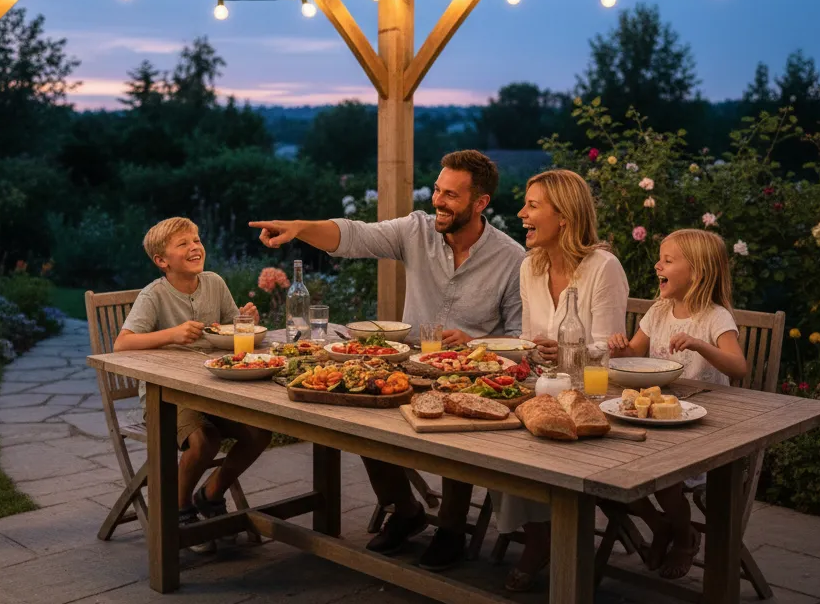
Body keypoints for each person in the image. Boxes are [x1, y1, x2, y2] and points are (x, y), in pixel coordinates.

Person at [251, 150, 524, 572]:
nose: (438, 201)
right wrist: (300, 229)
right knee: (365, 412)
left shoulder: (510, 258)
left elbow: (518, 337)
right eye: (437, 189)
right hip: (405, 362)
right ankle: (405, 509)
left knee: (459, 423)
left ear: (480, 202)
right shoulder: (416, 230)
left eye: (451, 195)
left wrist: (475, 343)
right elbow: (354, 236)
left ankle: (451, 529)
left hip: (467, 371)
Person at [495, 169, 629, 591]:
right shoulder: (529, 267)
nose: (521, 214)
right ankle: (540, 537)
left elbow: (609, 348)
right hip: (543, 387)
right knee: (496, 438)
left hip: (592, 396)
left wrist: (564, 350)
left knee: (519, 442)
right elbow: (527, 339)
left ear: (565, 217)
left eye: (532, 206)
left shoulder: (602, 268)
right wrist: (533, 348)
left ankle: (542, 542)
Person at [114, 216, 271, 553]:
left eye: (197, 239)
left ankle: (211, 494)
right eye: (182, 243)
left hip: (215, 385)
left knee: (260, 433)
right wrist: (172, 334)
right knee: (203, 442)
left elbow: (231, 328)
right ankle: (181, 507)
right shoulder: (154, 294)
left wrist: (246, 320)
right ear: (162, 260)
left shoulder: (214, 282)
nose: (194, 246)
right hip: (171, 396)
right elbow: (121, 344)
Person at [608, 229, 746, 578]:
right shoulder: (659, 311)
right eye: (660, 258)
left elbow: (738, 366)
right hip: (655, 419)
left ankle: (684, 537)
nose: (658, 265)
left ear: (696, 272)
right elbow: (634, 353)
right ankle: (660, 526)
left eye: (668, 260)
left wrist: (701, 345)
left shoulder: (715, 317)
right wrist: (618, 346)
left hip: (702, 429)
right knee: (606, 467)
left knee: (665, 480)